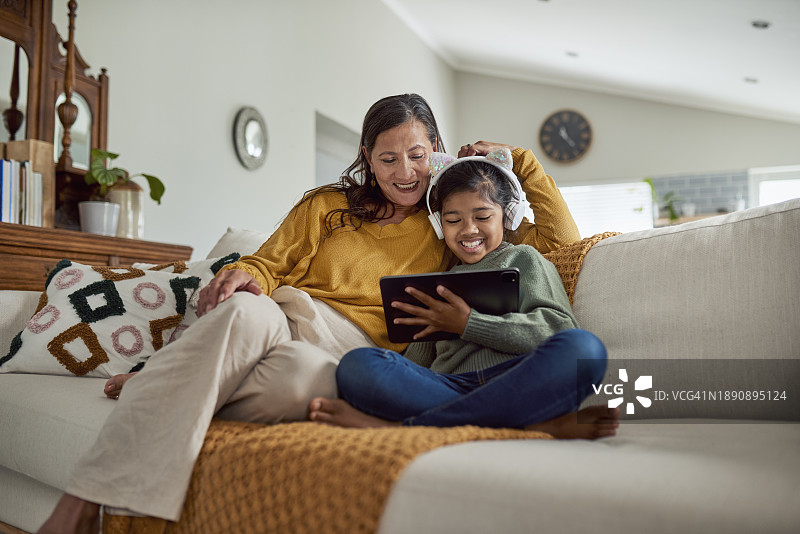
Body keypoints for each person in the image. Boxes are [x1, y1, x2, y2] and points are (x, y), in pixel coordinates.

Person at [38, 93, 582, 534]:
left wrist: (524, 162)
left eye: (417, 155)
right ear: (367, 157)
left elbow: (558, 242)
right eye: (388, 158)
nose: (406, 172)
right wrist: (248, 274)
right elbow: (269, 264)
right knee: (245, 313)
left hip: (345, 357)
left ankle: (170, 377)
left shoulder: (450, 219)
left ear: (436, 150)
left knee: (299, 390)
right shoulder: (328, 206)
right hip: (289, 315)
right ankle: (81, 503)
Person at [308, 150, 619, 438]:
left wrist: (468, 323)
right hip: (447, 387)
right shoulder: (438, 282)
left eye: (482, 217)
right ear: (439, 225)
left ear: (507, 216)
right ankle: (529, 425)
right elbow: (418, 366)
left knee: (584, 348)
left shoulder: (525, 259)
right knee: (358, 365)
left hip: (515, 382)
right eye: (453, 220)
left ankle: (404, 428)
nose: (468, 230)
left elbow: (558, 330)